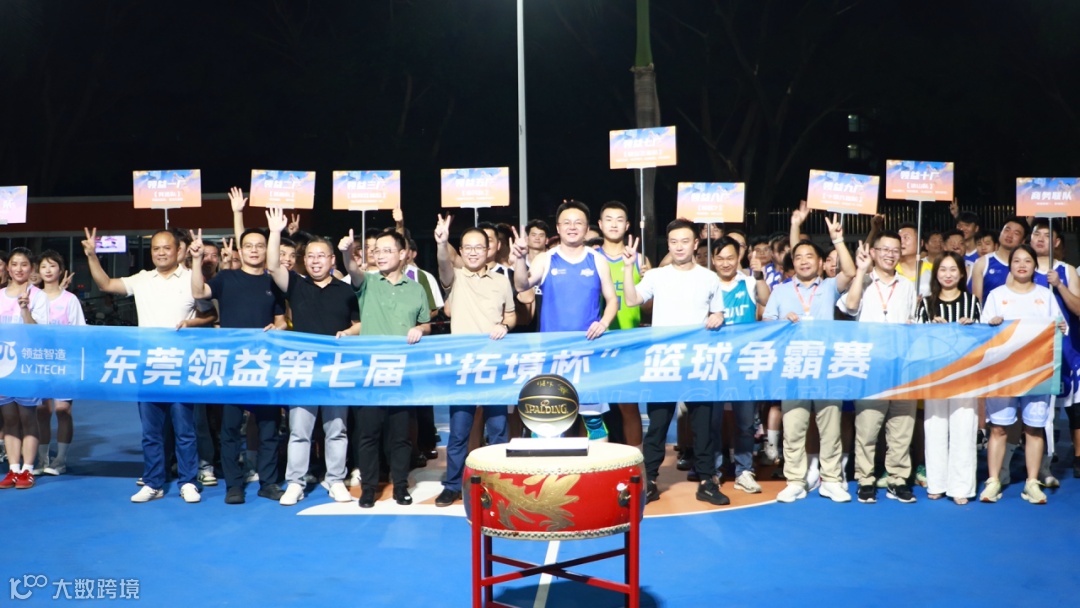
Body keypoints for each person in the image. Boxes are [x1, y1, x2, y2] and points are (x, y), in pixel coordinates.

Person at [82, 228, 217, 503]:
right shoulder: (142, 279)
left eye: (166, 248)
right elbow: (106, 285)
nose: (161, 253)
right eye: (156, 248)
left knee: (184, 430)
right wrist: (92, 256)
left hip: (180, 367)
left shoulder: (190, 279)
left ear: (178, 250)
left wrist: (190, 322)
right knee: (151, 431)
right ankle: (154, 482)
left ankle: (188, 482)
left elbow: (210, 315)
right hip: (148, 366)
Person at [621, 219, 728, 505]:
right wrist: (628, 268)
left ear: (696, 244)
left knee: (703, 425)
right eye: (673, 242)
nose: (679, 246)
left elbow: (718, 312)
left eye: (685, 241)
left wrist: (718, 316)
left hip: (698, 360)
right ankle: (650, 482)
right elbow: (631, 300)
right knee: (657, 425)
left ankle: (707, 481)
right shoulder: (657, 276)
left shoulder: (709, 278)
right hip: (663, 361)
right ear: (668, 244)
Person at [267, 210, 360, 507]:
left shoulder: (346, 291)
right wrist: (275, 232)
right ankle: (295, 482)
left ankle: (335, 480)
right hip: (303, 369)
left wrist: (350, 332)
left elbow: (359, 324)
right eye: (310, 256)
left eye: (321, 256)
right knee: (299, 431)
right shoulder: (296, 285)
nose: (316, 261)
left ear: (332, 260)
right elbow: (273, 265)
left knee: (336, 430)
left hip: (337, 368)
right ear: (303, 261)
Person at [763, 208, 856, 503]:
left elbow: (850, 273)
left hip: (826, 366)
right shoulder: (780, 291)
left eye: (810, 257)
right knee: (794, 428)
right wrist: (781, 322)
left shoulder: (828, 287)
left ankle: (831, 480)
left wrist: (838, 240)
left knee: (830, 427)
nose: (804, 261)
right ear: (793, 262)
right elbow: (766, 324)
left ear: (819, 262)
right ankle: (795, 480)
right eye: (799, 257)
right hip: (793, 367)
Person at [190, 227, 288, 504]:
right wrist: (196, 260)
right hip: (233, 366)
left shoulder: (273, 283)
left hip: (265, 365)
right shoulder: (226, 278)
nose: (254, 250)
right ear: (240, 251)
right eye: (249, 246)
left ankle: (268, 483)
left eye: (260, 245)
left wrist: (278, 328)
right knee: (230, 429)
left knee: (269, 428)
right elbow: (199, 291)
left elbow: (281, 320)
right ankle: (233, 485)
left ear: (266, 250)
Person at [338, 228, 431, 508]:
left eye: (387, 250)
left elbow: (426, 323)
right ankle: (369, 488)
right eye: (376, 251)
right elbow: (352, 269)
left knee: (400, 435)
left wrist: (420, 329)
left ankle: (400, 485)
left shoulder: (416, 289)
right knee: (368, 433)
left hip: (402, 372)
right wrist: (346, 252)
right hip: (370, 371)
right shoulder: (367, 281)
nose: (380, 255)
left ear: (403, 254)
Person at [512, 200, 619, 439]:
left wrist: (603, 323)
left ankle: (596, 462)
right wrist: (519, 258)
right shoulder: (546, 259)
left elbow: (613, 300)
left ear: (587, 228)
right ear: (558, 228)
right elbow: (521, 285)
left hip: (588, 352)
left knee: (593, 420)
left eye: (578, 223)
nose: (572, 227)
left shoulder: (597, 260)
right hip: (552, 354)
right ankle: (546, 463)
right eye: (567, 223)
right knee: (546, 420)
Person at [432, 215, 515, 507]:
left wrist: (504, 325)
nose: (473, 252)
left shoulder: (501, 281)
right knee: (459, 432)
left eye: (479, 247)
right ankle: (453, 485)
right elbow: (444, 265)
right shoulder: (455, 277)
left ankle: (500, 484)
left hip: (494, 367)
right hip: (463, 368)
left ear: (489, 249)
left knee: (498, 430)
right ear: (461, 250)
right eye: (467, 247)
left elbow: (511, 315)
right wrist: (442, 243)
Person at [979, 244, 1066, 504]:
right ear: (1010, 265)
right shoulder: (997, 295)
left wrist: (1061, 327)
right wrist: (991, 324)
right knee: (998, 428)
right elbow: (983, 333)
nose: (1021, 265)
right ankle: (993, 481)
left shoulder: (1045, 295)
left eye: (1027, 261)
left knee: (1034, 428)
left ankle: (1032, 482)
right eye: (1016, 260)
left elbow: (1060, 329)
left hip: (1037, 371)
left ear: (1034, 266)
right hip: (1003, 372)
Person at [841, 233, 919, 504]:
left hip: (902, 366)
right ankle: (865, 479)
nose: (890, 254)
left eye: (895, 250)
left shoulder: (907, 286)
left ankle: (898, 479)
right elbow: (850, 307)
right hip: (871, 367)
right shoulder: (862, 281)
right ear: (873, 252)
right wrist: (861, 272)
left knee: (902, 427)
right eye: (884, 249)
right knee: (868, 428)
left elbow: (913, 320)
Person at [916, 252, 980, 504]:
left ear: (962, 273)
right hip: (935, 375)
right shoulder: (926, 304)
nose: (948, 274)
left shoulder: (972, 303)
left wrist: (972, 328)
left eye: (953, 269)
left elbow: (982, 341)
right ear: (936, 274)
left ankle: (961, 487)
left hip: (965, 375)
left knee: (964, 429)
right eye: (942, 269)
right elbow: (917, 340)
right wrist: (931, 329)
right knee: (935, 427)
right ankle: (937, 483)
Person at [711, 237, 771, 494]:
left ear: (739, 258)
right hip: (715, 362)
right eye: (720, 258)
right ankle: (713, 471)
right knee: (712, 421)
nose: (725, 263)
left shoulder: (749, 282)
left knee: (745, 422)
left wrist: (759, 275)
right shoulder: (708, 284)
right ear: (713, 259)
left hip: (745, 362)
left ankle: (744, 471)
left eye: (730, 258)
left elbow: (767, 300)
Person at [597, 201, 646, 449]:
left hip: (629, 343)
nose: (614, 224)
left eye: (619, 220)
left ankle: (637, 463)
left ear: (627, 225)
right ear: (600, 224)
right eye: (609, 219)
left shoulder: (639, 259)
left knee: (628, 406)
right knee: (592, 407)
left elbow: (648, 305)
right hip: (597, 342)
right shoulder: (592, 257)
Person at [33, 250, 85, 477]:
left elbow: (80, 332)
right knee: (42, 411)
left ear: (60, 270)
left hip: (65, 362)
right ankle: (42, 458)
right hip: (38, 361)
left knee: (63, 410)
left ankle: (61, 459)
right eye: (44, 266)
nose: (48, 270)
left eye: (52, 266)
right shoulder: (32, 297)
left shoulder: (69, 300)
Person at [0, 248, 48, 490]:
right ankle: (13, 468)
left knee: (28, 416)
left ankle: (28, 469)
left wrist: (25, 309)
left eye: (24, 264)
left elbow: (40, 332)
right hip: (3, 366)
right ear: (8, 268)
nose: (19, 269)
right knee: (9, 418)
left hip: (28, 364)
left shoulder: (39, 296)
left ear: (32, 269)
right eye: (15, 264)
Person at [971, 217, 1028, 304]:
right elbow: (977, 301)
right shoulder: (982, 263)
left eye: (1016, 233)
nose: (1009, 235)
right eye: (1007, 230)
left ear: (1023, 241)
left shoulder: (1026, 265)